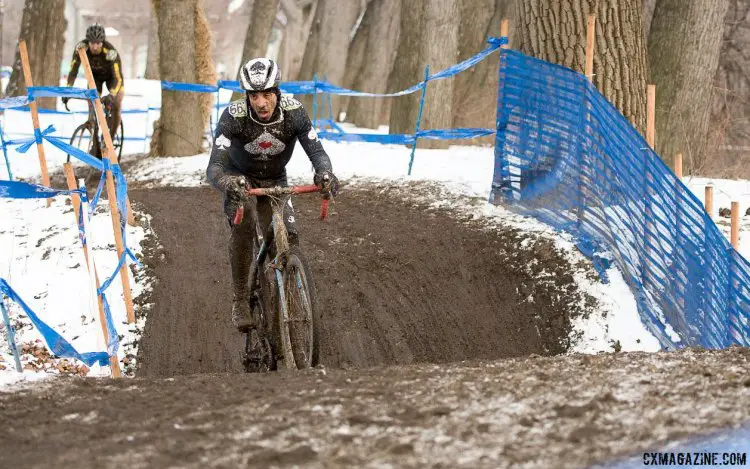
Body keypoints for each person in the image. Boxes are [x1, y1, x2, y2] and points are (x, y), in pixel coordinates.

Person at [206, 57, 340, 330]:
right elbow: (214, 167)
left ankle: (285, 293)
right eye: (254, 95)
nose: (261, 102)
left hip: (276, 179)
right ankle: (241, 299)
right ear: (247, 96)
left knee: (288, 238)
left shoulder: (294, 113)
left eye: (267, 94)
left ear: (277, 92)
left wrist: (324, 174)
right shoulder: (233, 115)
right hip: (239, 179)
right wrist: (227, 183)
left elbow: (317, 152)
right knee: (244, 226)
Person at [63, 23, 124, 158]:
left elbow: (118, 78)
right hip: (94, 79)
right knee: (92, 107)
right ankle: (95, 145)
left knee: (116, 105)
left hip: (112, 79)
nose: (95, 46)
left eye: (98, 43)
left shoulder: (110, 52)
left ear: (102, 42)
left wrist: (112, 95)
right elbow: (73, 70)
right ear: (88, 42)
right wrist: (68, 90)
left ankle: (110, 140)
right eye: (92, 43)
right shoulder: (81, 48)